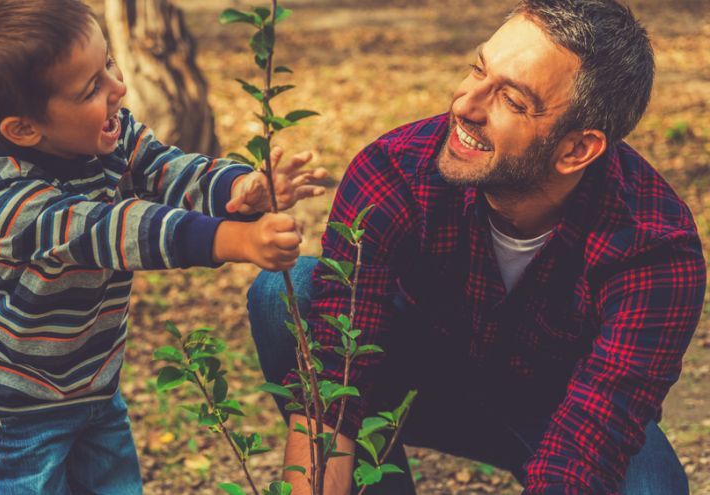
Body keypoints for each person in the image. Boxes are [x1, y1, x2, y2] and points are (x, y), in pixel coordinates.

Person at [248, 0, 706, 493]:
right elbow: (334, 386)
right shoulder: (395, 172)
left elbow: (590, 444)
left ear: (577, 150)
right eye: (478, 70)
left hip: (561, 408)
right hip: (418, 379)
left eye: (511, 100)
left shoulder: (655, 246)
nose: (465, 105)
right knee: (286, 289)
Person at [0, 1, 326, 493]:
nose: (117, 87)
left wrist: (238, 190)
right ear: (24, 129)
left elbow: (170, 169)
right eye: (91, 89)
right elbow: (120, 229)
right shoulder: (18, 206)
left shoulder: (110, 135)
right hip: (13, 408)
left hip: (91, 385)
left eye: (107, 65)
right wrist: (237, 240)